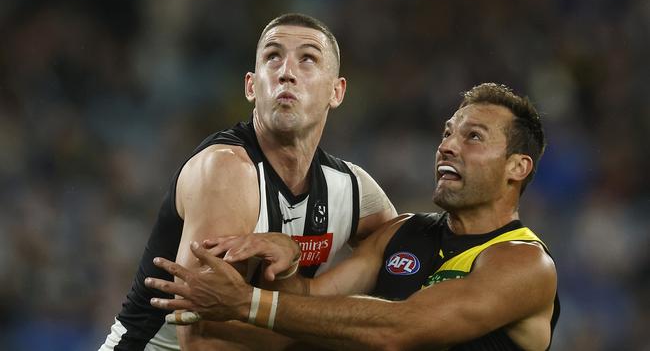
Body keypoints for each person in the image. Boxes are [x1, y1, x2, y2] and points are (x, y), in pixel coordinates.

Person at [145, 83, 561, 350]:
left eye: (472, 137)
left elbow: (400, 329)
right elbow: (305, 314)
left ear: (517, 168)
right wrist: (288, 262)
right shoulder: (402, 232)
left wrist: (245, 302)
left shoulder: (524, 263)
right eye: (448, 133)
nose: (448, 146)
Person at [99, 13, 397, 351]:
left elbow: (410, 274)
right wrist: (335, 327)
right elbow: (202, 340)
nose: (287, 72)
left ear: (337, 91)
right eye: (273, 57)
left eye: (308, 59)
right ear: (251, 86)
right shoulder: (226, 171)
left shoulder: (352, 190)